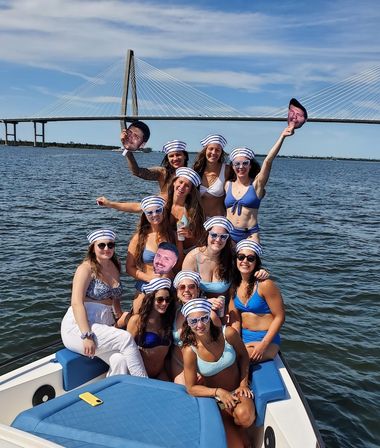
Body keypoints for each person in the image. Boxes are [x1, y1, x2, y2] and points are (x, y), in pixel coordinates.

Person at [60, 229, 147, 377]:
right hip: (79, 327)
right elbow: (76, 303)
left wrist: (119, 317)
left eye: (110, 245)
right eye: (102, 245)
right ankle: (145, 385)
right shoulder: (86, 269)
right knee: (125, 338)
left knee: (120, 360)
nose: (107, 248)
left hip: (103, 325)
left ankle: (117, 393)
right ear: (92, 248)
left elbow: (115, 300)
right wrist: (86, 335)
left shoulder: (115, 266)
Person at [181, 299, 255, 448]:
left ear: (209, 317)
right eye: (193, 321)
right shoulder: (190, 351)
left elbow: (244, 356)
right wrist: (218, 392)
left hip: (237, 390)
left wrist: (243, 383)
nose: (200, 325)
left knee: (245, 417)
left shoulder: (228, 333)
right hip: (216, 400)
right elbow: (191, 388)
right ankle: (231, 425)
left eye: (204, 318)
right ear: (188, 323)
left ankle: (241, 429)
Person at [225, 125, 294, 243]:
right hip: (228, 233)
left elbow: (268, 161)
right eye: (237, 164)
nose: (241, 167)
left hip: (250, 235)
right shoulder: (227, 185)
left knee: (249, 261)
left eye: (245, 163)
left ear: (250, 165)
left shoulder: (256, 185)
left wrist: (282, 137)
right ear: (232, 166)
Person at [228, 239, 285, 362]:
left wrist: (263, 345)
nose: (245, 261)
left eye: (250, 258)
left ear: (256, 262)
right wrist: (236, 342)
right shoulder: (234, 285)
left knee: (235, 360)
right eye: (241, 257)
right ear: (236, 260)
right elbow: (235, 318)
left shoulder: (265, 284)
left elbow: (280, 317)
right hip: (243, 337)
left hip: (265, 339)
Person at [126, 195, 179, 313]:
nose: (154, 214)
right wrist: (149, 278)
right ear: (144, 214)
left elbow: (180, 264)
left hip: (168, 286)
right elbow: (129, 268)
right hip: (146, 285)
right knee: (138, 318)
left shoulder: (174, 236)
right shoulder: (139, 238)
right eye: (149, 212)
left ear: (163, 211)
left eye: (158, 210)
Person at [127, 278, 175, 380]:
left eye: (168, 299)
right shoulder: (137, 320)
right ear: (151, 299)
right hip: (139, 374)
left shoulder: (168, 321)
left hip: (160, 373)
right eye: (160, 299)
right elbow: (126, 349)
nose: (164, 303)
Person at [182, 217, 233, 312]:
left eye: (223, 236)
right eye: (213, 235)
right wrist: (206, 302)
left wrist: (260, 272)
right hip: (196, 310)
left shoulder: (232, 259)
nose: (218, 240)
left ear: (227, 239)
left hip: (223, 311)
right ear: (207, 235)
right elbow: (183, 293)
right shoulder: (192, 258)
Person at [121, 136, 189, 199]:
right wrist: (128, 150)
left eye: (178, 155)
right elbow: (137, 172)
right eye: (171, 156)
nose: (175, 158)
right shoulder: (162, 173)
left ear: (185, 156)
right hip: (164, 208)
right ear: (167, 159)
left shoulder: (191, 174)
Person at [165, 167, 205, 252]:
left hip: (188, 250)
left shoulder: (192, 211)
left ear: (190, 190)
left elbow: (200, 238)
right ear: (174, 182)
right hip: (168, 250)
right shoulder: (164, 204)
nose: (182, 187)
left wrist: (189, 234)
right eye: (180, 182)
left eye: (187, 185)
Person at [193, 134, 231, 217]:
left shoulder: (227, 170)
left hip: (218, 221)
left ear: (221, 153)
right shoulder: (196, 170)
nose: (213, 153)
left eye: (217, 150)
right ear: (205, 150)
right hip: (198, 220)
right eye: (211, 149)